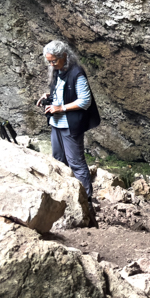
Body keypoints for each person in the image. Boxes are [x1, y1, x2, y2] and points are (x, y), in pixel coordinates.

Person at [39, 40, 100, 226]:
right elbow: (61, 92)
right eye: (49, 61)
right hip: (57, 123)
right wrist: (48, 97)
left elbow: (84, 101)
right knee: (58, 159)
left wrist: (61, 107)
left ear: (64, 56)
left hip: (69, 124)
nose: (52, 65)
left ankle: (87, 202)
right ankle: (65, 197)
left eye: (54, 61)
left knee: (76, 162)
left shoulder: (76, 73)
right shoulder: (59, 71)